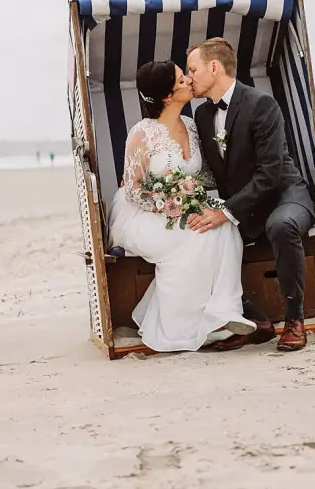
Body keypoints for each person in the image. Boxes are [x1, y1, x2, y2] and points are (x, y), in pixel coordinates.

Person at [106, 60, 256, 352]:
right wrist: (172, 204)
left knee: (224, 220)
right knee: (199, 231)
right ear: (166, 96)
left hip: (183, 204)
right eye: (180, 79)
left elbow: (202, 174)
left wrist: (212, 191)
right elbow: (134, 189)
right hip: (144, 215)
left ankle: (224, 313)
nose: (189, 79)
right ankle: (181, 327)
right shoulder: (143, 132)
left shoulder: (190, 124)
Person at [185, 39, 315, 352]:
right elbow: (214, 172)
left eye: (193, 69)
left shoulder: (262, 105)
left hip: (285, 195)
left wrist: (226, 211)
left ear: (214, 67)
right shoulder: (203, 116)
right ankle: (255, 322)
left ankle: (294, 321)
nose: (189, 77)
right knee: (199, 236)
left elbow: (270, 174)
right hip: (245, 207)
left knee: (280, 225)